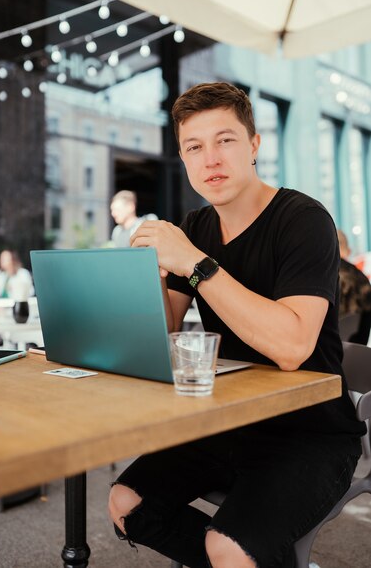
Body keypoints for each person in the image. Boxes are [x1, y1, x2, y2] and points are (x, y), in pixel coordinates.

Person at [108, 82, 365, 568]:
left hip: (310, 431)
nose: (211, 160)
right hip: (226, 420)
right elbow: (160, 326)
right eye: (194, 147)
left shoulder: (303, 219)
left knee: (227, 546)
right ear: (183, 159)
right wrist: (146, 278)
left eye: (225, 140)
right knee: (126, 503)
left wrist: (196, 263)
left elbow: (292, 346)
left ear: (253, 145)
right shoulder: (195, 226)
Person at [337, 229, 371, 344]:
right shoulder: (361, 278)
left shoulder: (322, 276)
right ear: (348, 250)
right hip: (356, 349)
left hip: (327, 352)